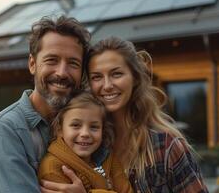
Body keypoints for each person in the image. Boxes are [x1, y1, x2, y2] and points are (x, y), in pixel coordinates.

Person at [0, 15, 91, 193]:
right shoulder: (4, 130)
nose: (62, 72)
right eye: (52, 60)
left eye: (73, 63)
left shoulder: (89, 127)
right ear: (32, 64)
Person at [87, 37, 208, 192]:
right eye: (97, 77)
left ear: (135, 78)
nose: (107, 85)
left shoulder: (165, 147)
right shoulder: (89, 145)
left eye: (116, 74)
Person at [38, 92, 133, 193]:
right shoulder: (52, 169)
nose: (85, 134)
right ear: (59, 129)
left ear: (102, 130)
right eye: (76, 125)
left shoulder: (108, 158)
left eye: (94, 127)